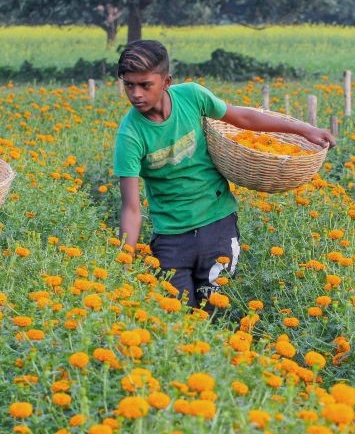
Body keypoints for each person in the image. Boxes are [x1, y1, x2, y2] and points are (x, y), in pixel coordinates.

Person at [114, 40, 335, 309]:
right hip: (171, 239)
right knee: (177, 319)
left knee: (215, 313)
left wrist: (302, 129)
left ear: (166, 81)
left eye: (145, 85)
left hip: (217, 226)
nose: (136, 94)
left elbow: (244, 118)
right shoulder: (130, 135)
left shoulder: (192, 97)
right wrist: (124, 264)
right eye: (129, 85)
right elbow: (131, 209)